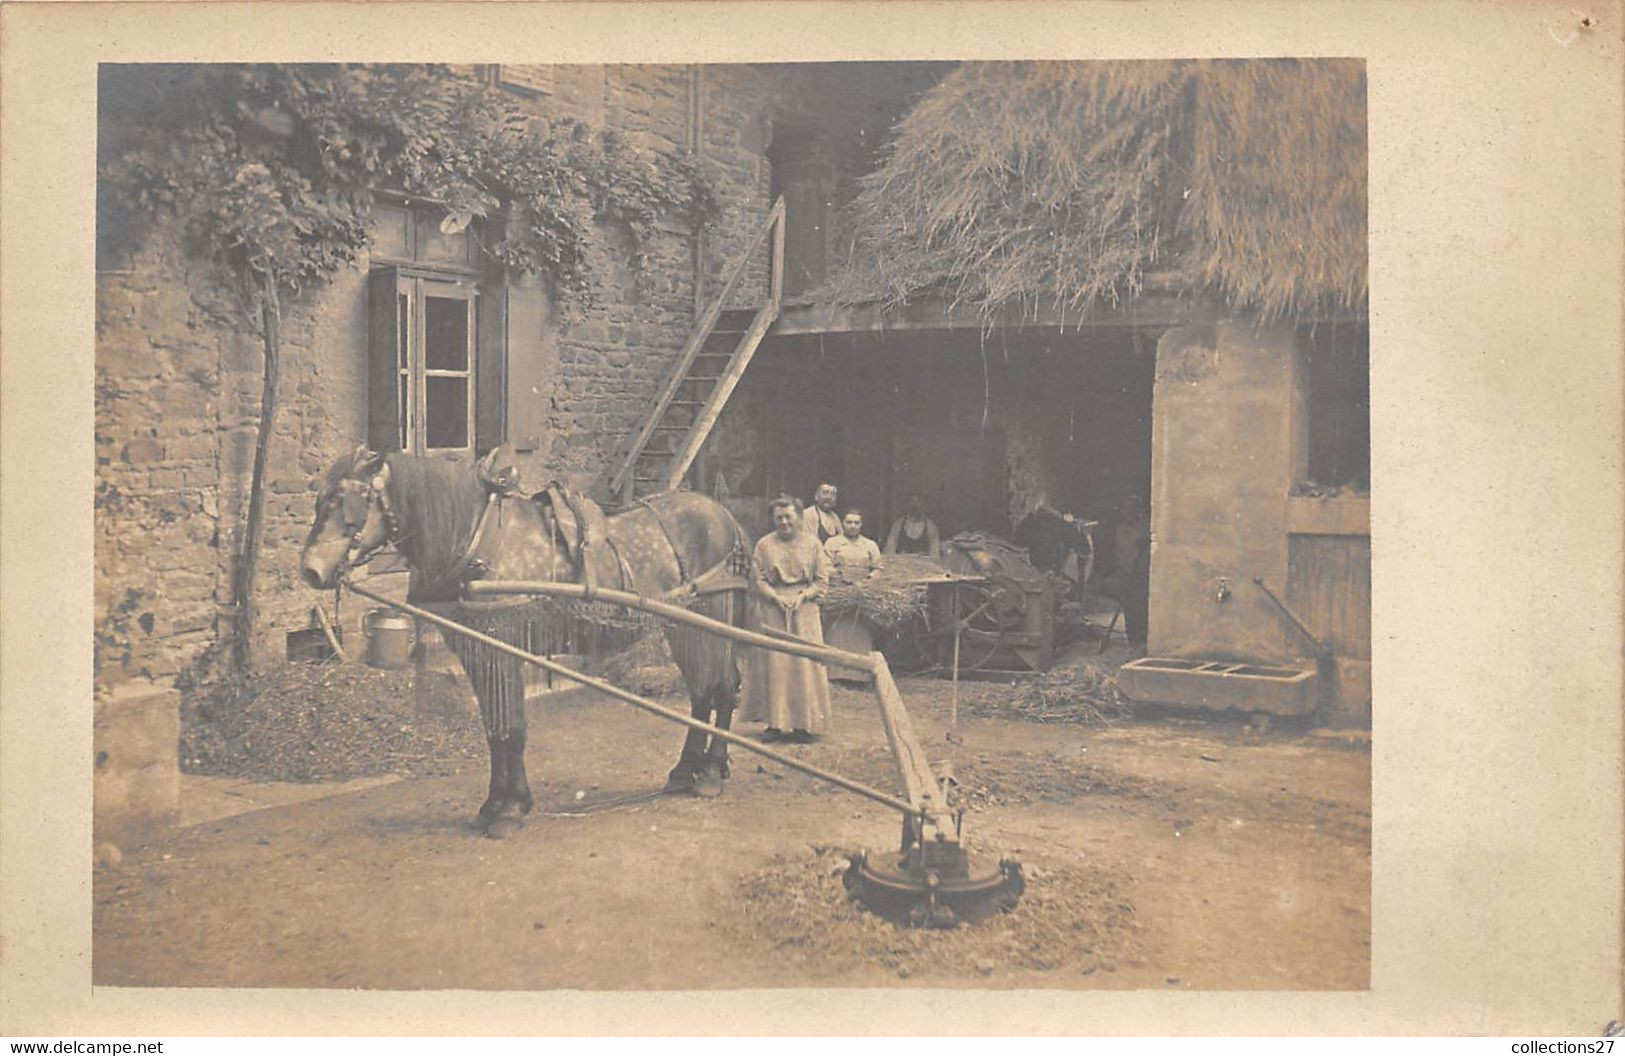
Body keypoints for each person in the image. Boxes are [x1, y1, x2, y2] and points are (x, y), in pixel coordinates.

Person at [743, 495, 833, 742]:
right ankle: (775, 723)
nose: (784, 522)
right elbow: (757, 578)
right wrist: (774, 596)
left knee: (802, 666)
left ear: (799, 517)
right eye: (779, 518)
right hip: (773, 608)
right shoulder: (764, 545)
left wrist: (803, 596)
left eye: (788, 517)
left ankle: (803, 724)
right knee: (775, 666)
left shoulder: (813, 544)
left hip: (804, 610)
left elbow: (821, 580)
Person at [824, 509, 883, 583]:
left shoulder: (870, 545)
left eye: (856, 523)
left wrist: (869, 579)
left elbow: (878, 568)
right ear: (842, 523)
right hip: (838, 587)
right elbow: (825, 566)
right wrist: (838, 576)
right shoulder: (832, 543)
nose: (853, 526)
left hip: (865, 587)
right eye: (848, 522)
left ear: (861, 524)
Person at [883, 492, 941, 558]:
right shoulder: (897, 525)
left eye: (918, 502)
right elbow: (889, 552)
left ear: (923, 505)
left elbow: (935, 555)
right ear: (908, 504)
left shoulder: (931, 528)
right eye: (912, 502)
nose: (915, 505)